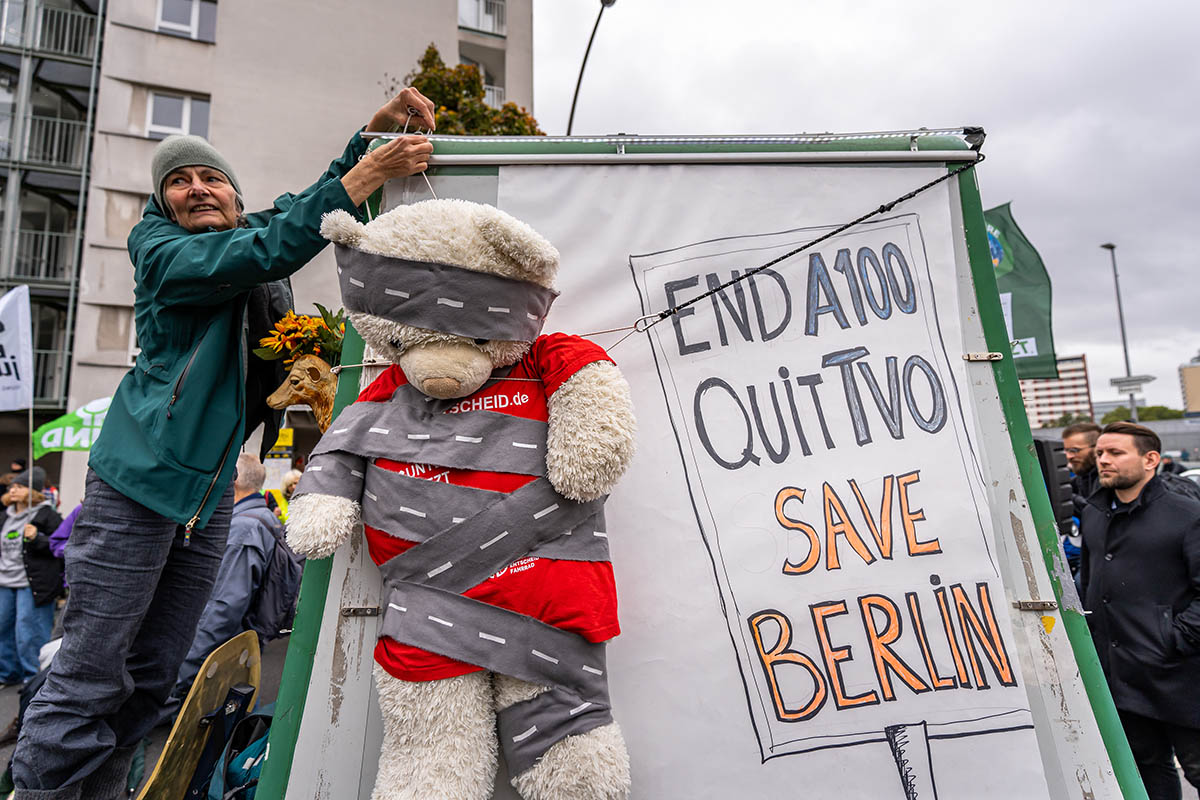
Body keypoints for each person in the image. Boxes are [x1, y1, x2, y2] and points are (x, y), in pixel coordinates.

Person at [11, 87, 437, 800]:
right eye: (177, 181)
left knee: (152, 682)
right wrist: (364, 176)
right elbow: (268, 242)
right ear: (163, 204)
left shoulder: (246, 243)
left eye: (210, 178)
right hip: (138, 487)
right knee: (90, 673)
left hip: (205, 502)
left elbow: (294, 217)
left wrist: (372, 134)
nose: (195, 188)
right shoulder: (163, 251)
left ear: (233, 197)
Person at [1079, 421, 1200, 799]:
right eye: (1100, 453)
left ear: (1150, 460)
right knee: (1147, 772)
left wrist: (1173, 639)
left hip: (1182, 677)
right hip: (1122, 677)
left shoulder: (1187, 514)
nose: (1103, 460)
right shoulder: (1094, 513)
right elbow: (1088, 583)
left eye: (1115, 453)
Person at [172, 454, 281, 697]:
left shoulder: (243, 527)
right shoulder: (263, 518)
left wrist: (179, 677)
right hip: (237, 650)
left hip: (216, 658)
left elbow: (223, 607)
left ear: (233, 482)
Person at [0, 469, 63, 687]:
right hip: (5, 582)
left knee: (28, 632)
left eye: (19, 486)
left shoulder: (47, 515)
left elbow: (61, 545)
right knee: (3, 629)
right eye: (12, 487)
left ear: (32, 490)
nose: (13, 490)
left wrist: (38, 538)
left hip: (32, 584)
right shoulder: (5, 515)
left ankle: (33, 678)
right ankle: (8, 673)